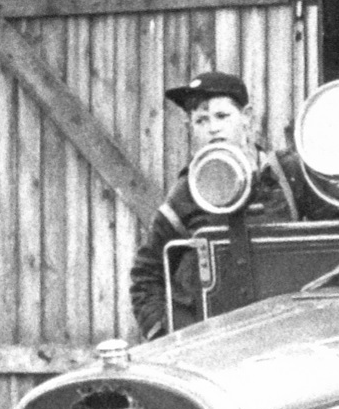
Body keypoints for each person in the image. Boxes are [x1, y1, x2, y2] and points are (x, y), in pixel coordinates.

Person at [129, 69, 303, 338]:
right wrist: (165, 336)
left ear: (246, 118)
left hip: (288, 339)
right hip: (214, 345)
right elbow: (146, 276)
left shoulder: (288, 174)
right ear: (191, 128)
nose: (213, 128)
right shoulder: (186, 193)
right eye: (201, 120)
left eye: (222, 116)